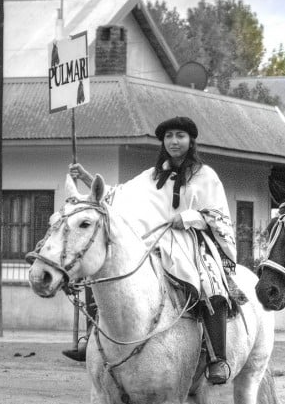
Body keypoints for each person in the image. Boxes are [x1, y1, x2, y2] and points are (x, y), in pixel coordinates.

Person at [68, 116, 238, 385]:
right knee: (103, 268)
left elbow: (217, 215)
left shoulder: (206, 176)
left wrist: (189, 217)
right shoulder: (152, 175)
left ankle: (217, 357)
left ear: (190, 140)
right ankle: (91, 337)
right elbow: (116, 194)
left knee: (210, 281)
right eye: (168, 136)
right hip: (150, 239)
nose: (174, 141)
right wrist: (87, 179)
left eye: (179, 135)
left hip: (189, 241)